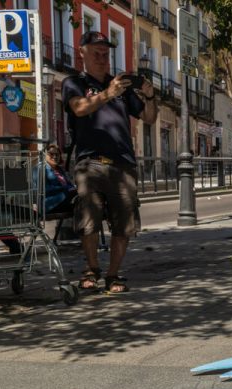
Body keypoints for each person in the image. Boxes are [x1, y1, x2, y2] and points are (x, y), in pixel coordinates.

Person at [63, 30, 158, 293]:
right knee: (88, 217)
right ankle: (91, 269)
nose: (103, 59)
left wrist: (150, 96)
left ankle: (113, 275)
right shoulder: (74, 83)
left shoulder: (122, 87)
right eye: (97, 53)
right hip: (89, 162)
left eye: (106, 54)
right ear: (82, 53)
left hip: (122, 164)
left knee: (124, 222)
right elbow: (80, 108)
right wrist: (107, 93)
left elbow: (149, 118)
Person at [35, 144, 76, 214]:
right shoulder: (40, 169)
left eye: (57, 154)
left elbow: (69, 185)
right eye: (51, 154)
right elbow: (43, 189)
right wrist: (65, 189)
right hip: (50, 204)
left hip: (66, 200)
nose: (54, 156)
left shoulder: (60, 170)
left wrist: (74, 188)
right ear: (45, 155)